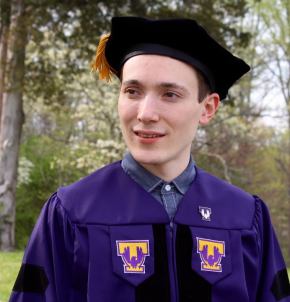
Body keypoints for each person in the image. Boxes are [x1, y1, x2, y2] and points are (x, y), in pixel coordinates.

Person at [9, 17, 290, 302]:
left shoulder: (244, 217)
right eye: (133, 91)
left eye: (169, 94)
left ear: (207, 109)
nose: (145, 113)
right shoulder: (70, 213)